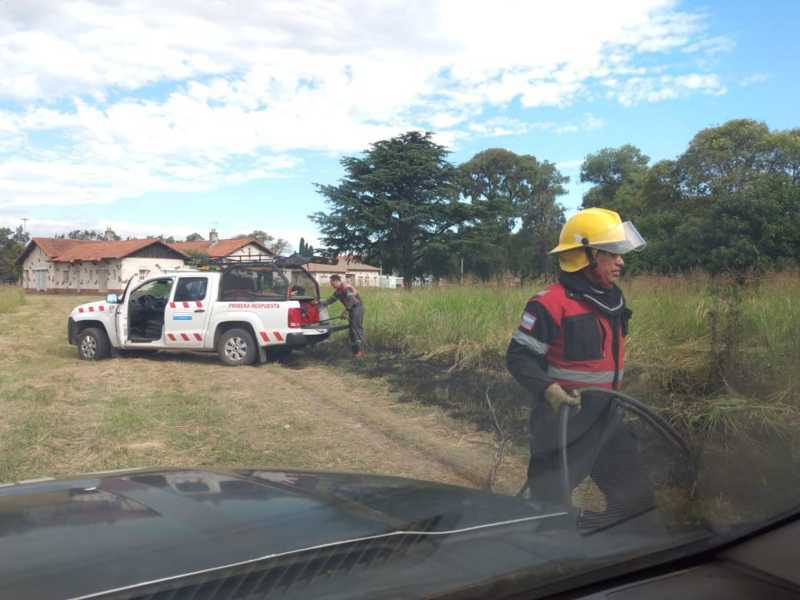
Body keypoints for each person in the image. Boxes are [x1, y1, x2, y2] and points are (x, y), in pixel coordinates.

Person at [506, 208, 648, 512]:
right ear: (585, 255)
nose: (621, 261)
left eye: (620, 253)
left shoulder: (613, 300)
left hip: (609, 418)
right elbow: (518, 358)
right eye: (611, 253)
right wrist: (548, 390)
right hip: (564, 422)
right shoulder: (549, 304)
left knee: (638, 505)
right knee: (547, 512)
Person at [319, 274, 365, 357]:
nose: (331, 285)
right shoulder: (338, 291)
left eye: (332, 283)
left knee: (356, 329)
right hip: (352, 309)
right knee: (352, 331)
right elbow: (330, 300)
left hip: (357, 308)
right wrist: (319, 303)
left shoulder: (346, 288)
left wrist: (345, 312)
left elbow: (352, 301)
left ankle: (360, 351)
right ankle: (356, 352)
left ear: (336, 281)